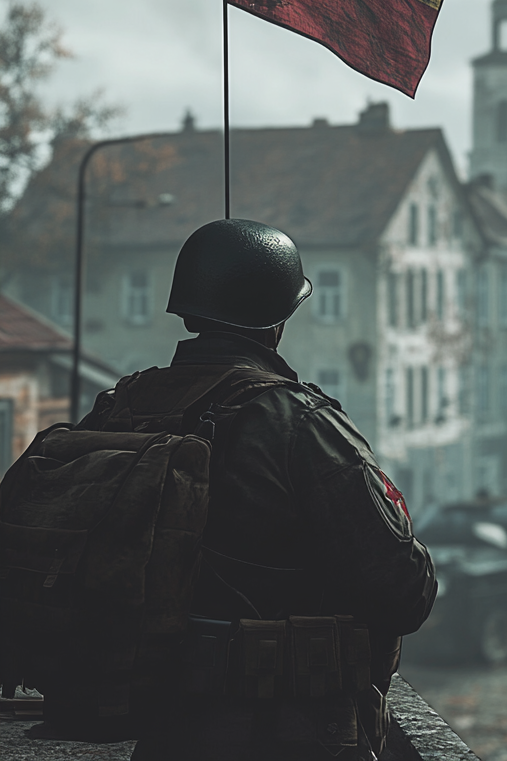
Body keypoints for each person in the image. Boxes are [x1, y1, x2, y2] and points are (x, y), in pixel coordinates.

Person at [77, 219, 436, 760]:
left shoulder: (121, 405)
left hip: (161, 727)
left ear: (188, 308)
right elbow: (406, 591)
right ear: (280, 319)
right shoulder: (298, 422)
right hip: (288, 730)